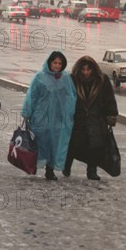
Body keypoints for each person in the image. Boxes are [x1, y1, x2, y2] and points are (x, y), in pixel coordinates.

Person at [21, 51, 77, 180]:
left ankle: (50, 169)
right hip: (41, 116)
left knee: (55, 143)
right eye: (55, 62)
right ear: (49, 62)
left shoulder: (66, 78)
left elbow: (71, 97)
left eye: (60, 63)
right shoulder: (40, 77)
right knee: (39, 142)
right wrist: (27, 112)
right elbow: (32, 96)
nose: (57, 66)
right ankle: (33, 164)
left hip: (58, 118)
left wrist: (69, 113)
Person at [63, 56, 118, 180]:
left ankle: (92, 171)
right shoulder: (73, 80)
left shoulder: (102, 80)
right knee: (73, 145)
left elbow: (109, 99)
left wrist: (111, 115)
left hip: (97, 119)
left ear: (93, 69)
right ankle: (67, 166)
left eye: (88, 69)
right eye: (83, 69)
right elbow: (66, 98)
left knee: (95, 146)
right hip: (78, 119)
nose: (86, 72)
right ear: (79, 69)